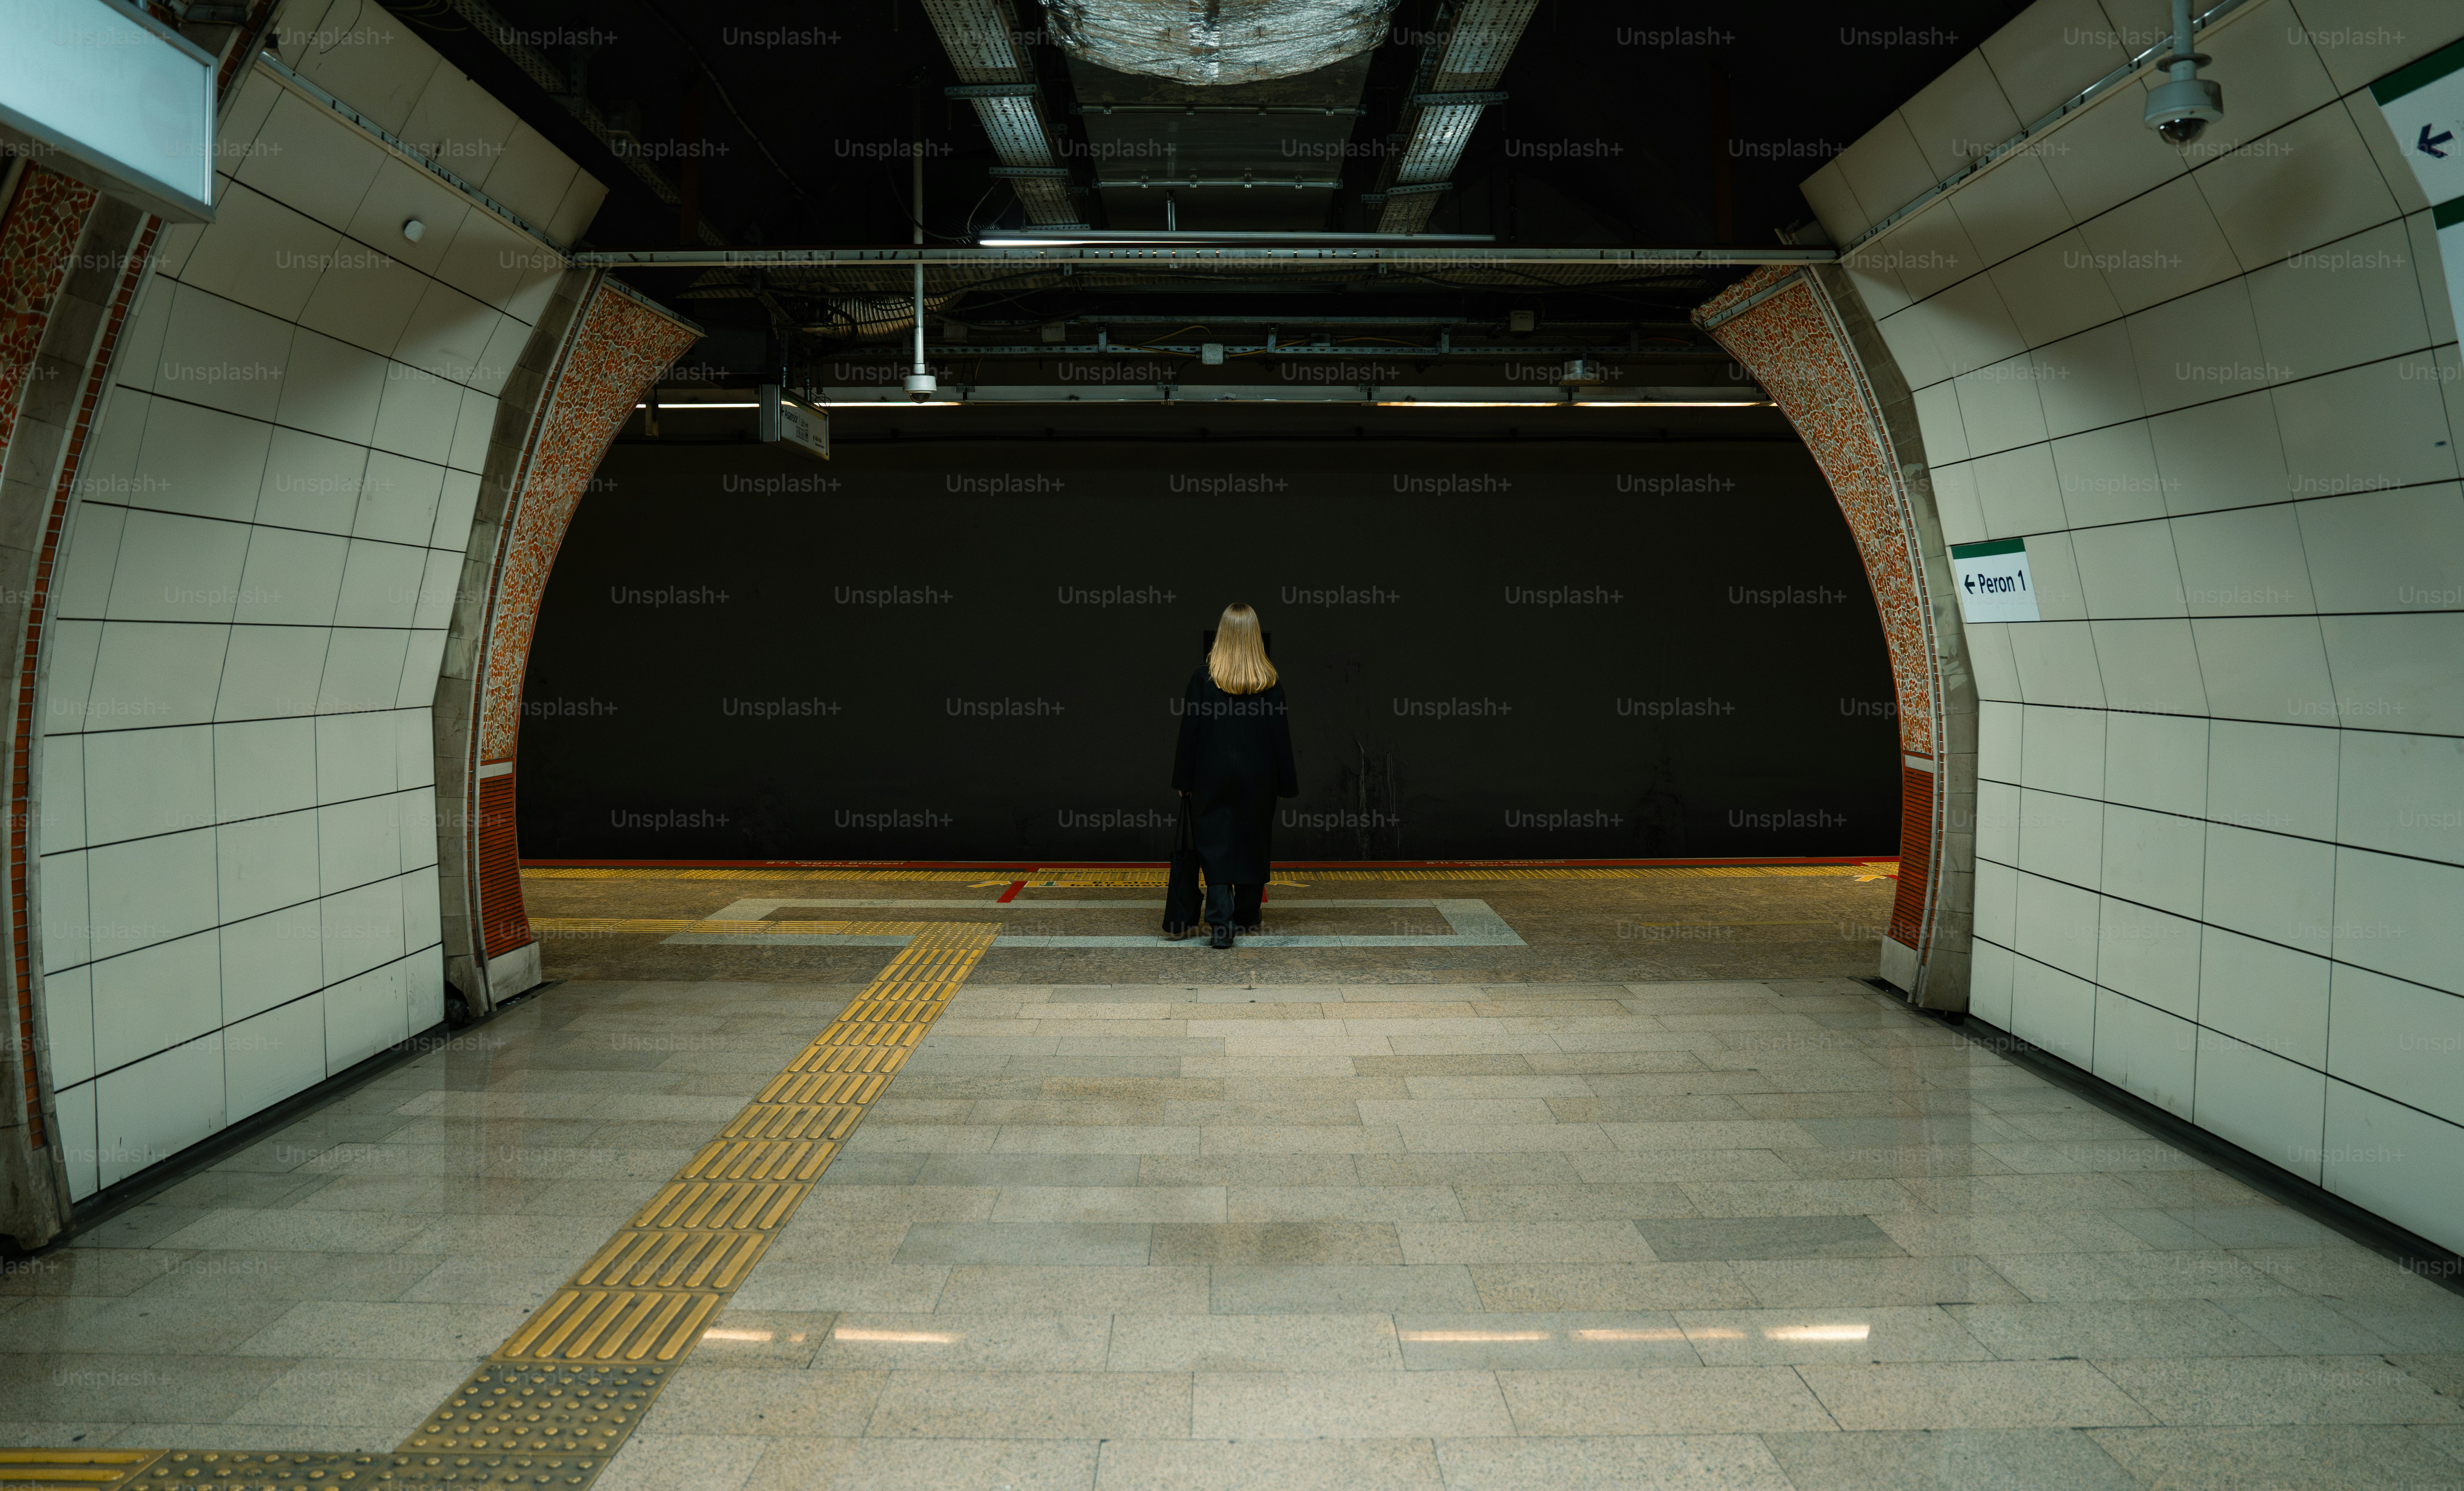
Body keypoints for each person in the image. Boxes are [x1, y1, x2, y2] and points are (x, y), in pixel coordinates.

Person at [1171, 604, 1299, 948]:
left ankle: (1220, 925)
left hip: (1209, 778)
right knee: (1252, 842)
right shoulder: (1270, 683)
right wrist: (1286, 784)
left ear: (1222, 635)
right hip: (1259, 780)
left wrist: (1183, 781)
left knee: (1214, 845)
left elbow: (1190, 733)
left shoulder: (1202, 679)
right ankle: (1246, 914)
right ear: (1255, 637)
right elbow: (1280, 738)